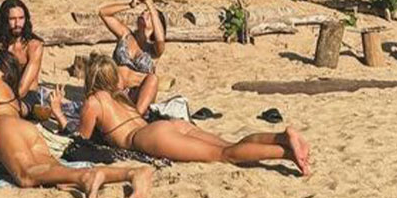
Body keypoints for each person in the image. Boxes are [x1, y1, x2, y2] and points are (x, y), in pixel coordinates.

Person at [0, 57, 152, 198]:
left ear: (3, 72)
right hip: (23, 130)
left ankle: (86, 178)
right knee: (55, 175)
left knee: (26, 176)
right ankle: (131, 172)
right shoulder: (8, 95)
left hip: (6, 127)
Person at [57, 54, 312, 175]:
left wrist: (59, 114)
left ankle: (287, 153)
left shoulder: (93, 102)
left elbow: (82, 139)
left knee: (224, 155)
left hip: (147, 137)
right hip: (169, 125)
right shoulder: (119, 96)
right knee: (228, 144)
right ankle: (280, 137)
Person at [96, 0, 168, 115]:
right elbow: (103, 13)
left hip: (136, 98)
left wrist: (151, 6)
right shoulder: (125, 34)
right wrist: (130, 4)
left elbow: (161, 39)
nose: (143, 15)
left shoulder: (154, 49)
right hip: (115, 91)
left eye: (148, 15)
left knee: (153, 79)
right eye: (143, 12)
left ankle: (136, 117)